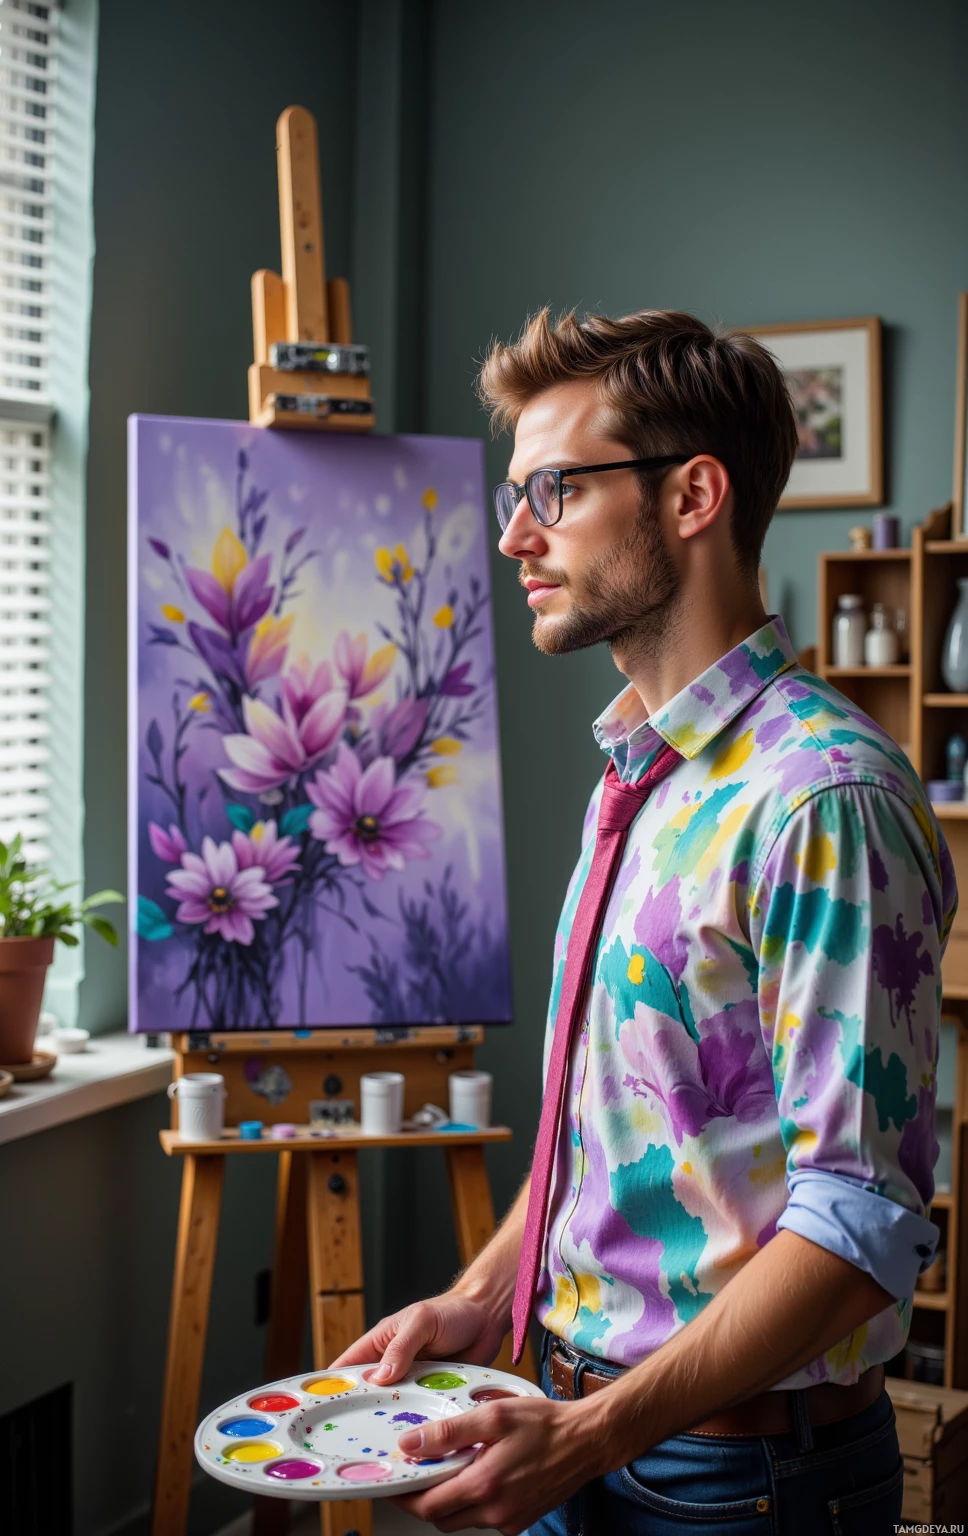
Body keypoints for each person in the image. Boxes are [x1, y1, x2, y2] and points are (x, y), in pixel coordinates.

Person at [334, 309, 956, 1534]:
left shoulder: (821, 799)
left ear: (692, 497)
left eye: (553, 490)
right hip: (579, 1432)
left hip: (736, 1485)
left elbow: (858, 1223)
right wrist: (480, 1298)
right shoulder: (640, 774)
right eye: (517, 494)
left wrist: (588, 1438)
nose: (514, 533)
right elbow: (614, 1137)